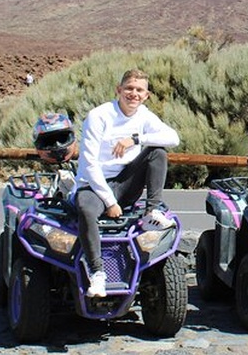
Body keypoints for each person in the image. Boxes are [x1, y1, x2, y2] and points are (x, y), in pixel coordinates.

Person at [72, 69, 180, 298]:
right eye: (129, 88)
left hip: (125, 182)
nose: (134, 94)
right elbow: (89, 164)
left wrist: (136, 139)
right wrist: (110, 202)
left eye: (139, 90)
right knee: (86, 209)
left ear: (146, 95)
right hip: (93, 185)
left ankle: (151, 212)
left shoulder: (144, 116)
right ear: (118, 90)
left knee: (157, 152)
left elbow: (173, 138)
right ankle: (97, 272)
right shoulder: (99, 116)